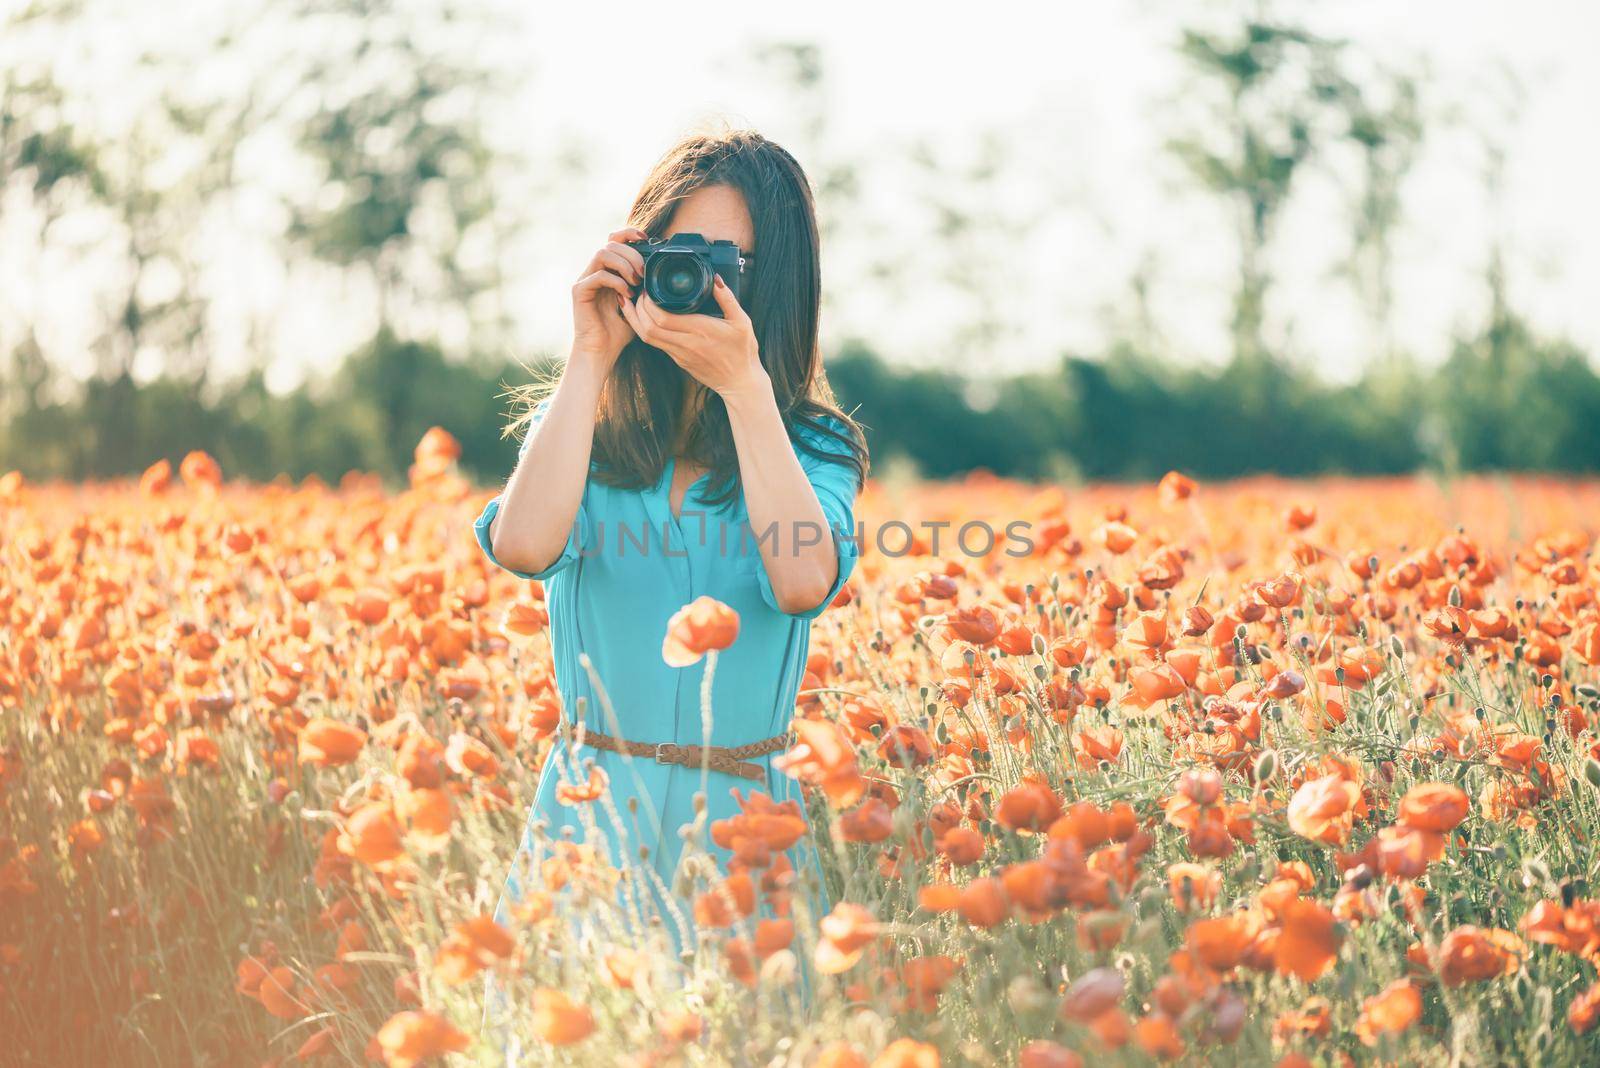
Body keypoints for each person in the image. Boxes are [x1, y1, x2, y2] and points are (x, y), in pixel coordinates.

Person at [472, 128, 868, 1024]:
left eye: (729, 259)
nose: (699, 278)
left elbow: (805, 577)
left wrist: (746, 389)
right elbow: (525, 546)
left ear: (777, 283)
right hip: (589, 822)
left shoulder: (814, 446)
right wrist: (588, 354)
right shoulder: (587, 428)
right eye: (677, 251)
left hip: (745, 837)